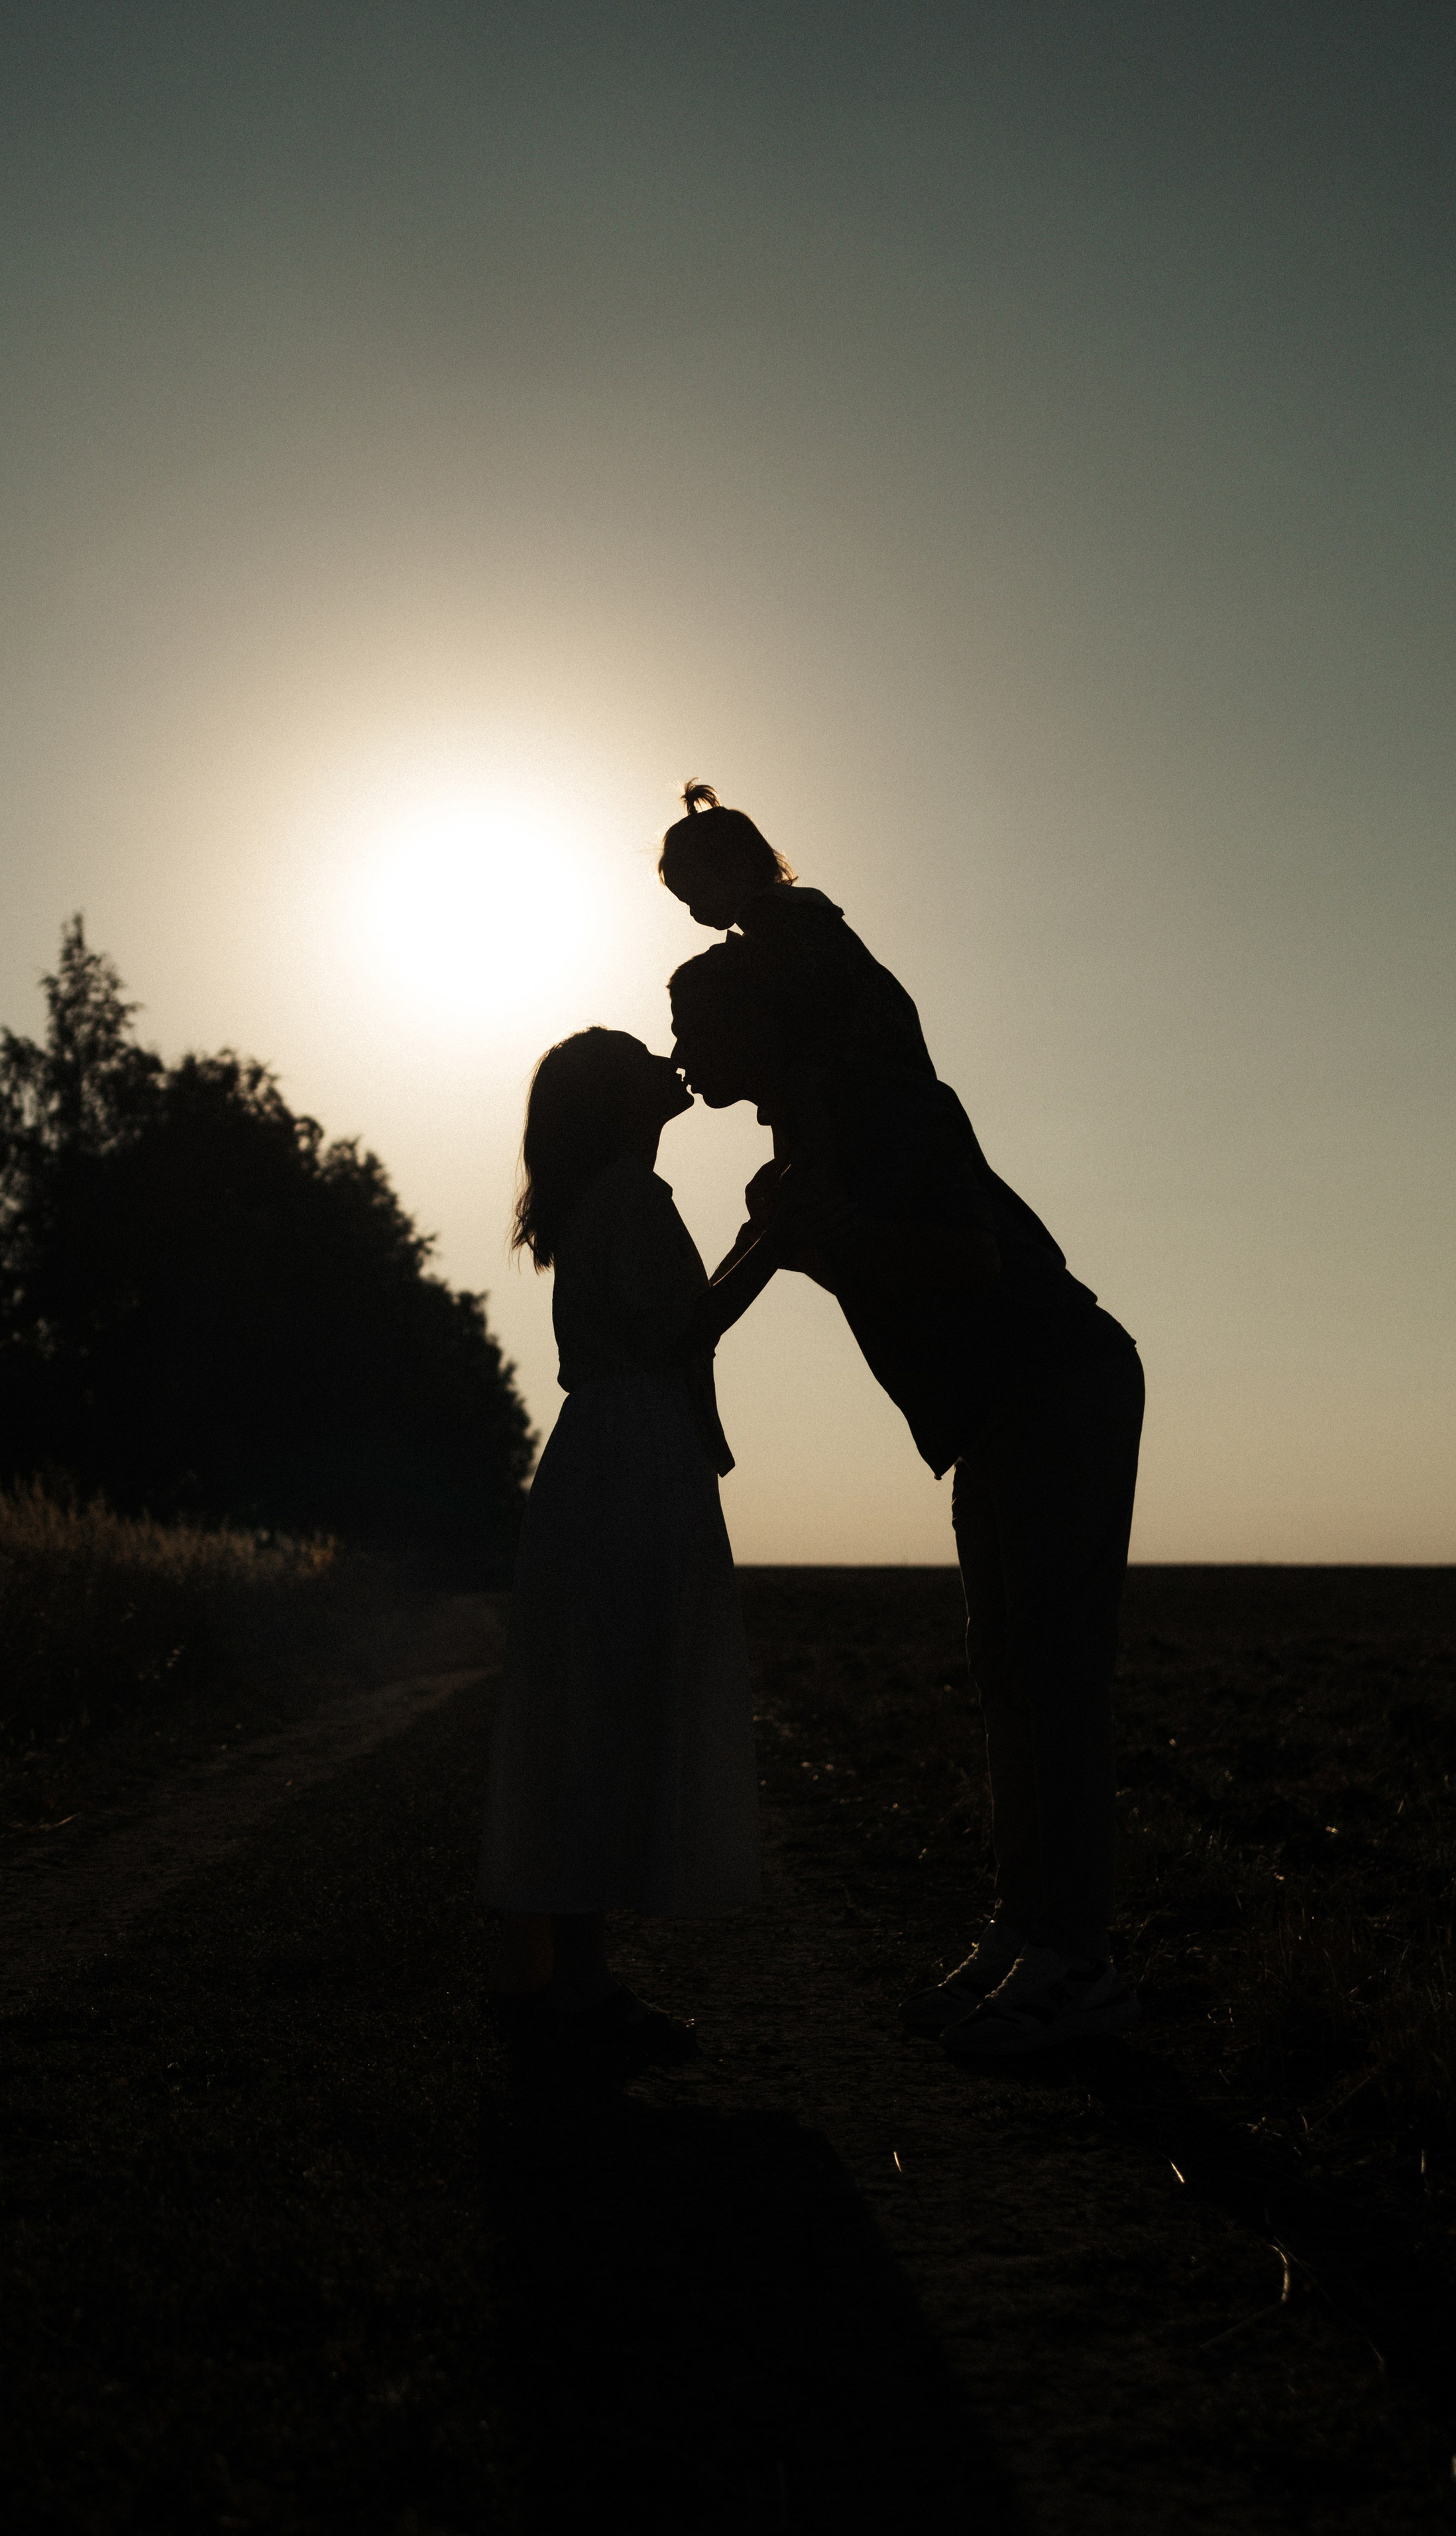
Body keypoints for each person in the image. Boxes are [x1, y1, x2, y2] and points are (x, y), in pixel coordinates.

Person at [667, 941, 1145, 2059]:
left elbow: (971, 1260)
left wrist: (819, 1237)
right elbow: (738, 1287)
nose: (682, 1049)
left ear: (762, 1022)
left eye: (695, 1023)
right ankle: (1029, 1936)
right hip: (998, 1415)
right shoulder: (807, 1147)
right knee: (1011, 1679)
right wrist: (674, 1343)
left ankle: (1079, 1968)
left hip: (1056, 1385)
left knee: (1052, 1680)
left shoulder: (887, 1108)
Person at [478, 1025, 791, 2063]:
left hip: (607, 1452)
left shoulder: (603, 1198)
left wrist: (756, 1244)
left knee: (592, 1709)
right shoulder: (630, 1198)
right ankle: (581, 1993)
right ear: (621, 1101)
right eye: (644, 1059)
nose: (672, 1061)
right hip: (634, 1455)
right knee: (615, 1705)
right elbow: (675, 1332)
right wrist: (774, 1248)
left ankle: (574, 1985)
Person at [659, 779, 935, 1087]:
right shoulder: (795, 913)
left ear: (736, 867)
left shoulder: (777, 918)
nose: (695, 911)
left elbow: (803, 1001)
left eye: (696, 893)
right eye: (686, 901)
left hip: (870, 1072)